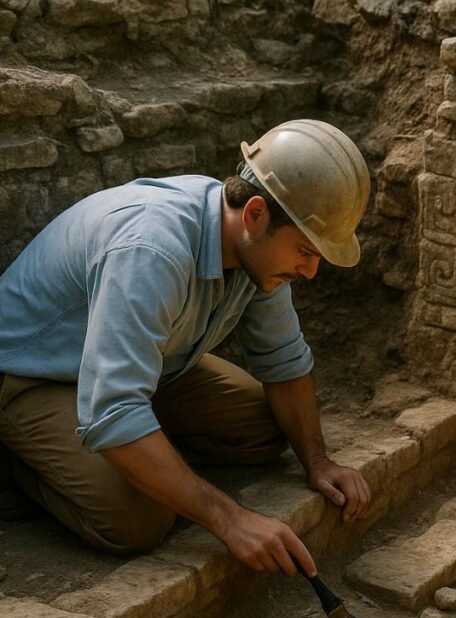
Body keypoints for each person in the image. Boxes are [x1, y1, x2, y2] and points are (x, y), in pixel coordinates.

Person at [0, 119, 373, 582]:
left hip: (144, 369)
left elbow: (284, 361)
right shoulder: (153, 248)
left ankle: (141, 448)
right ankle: (25, 463)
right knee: (139, 520)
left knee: (268, 428)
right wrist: (230, 518)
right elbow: (112, 406)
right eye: (305, 250)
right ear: (256, 213)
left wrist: (319, 462)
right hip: (32, 376)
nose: (311, 271)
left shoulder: (258, 249)